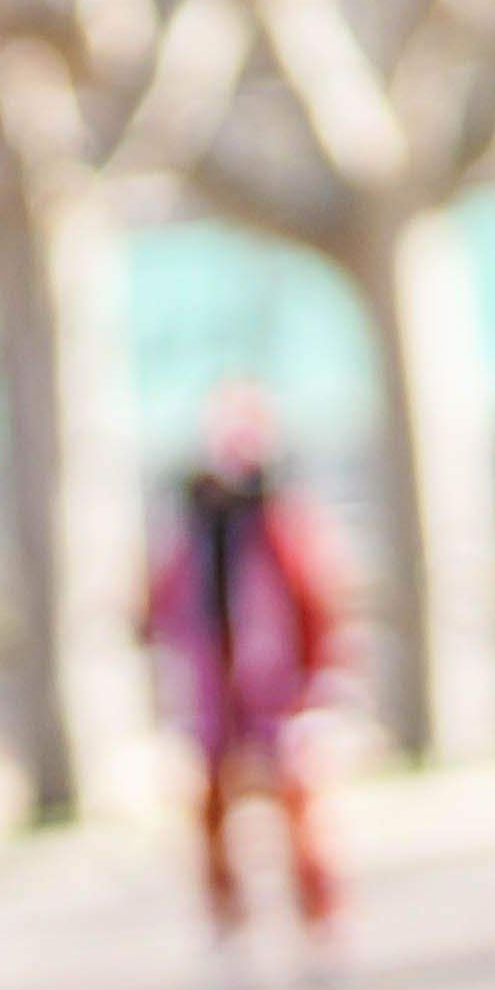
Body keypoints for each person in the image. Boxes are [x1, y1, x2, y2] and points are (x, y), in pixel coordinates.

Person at [152, 385, 352, 958]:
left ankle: (320, 917)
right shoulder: (195, 530)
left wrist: (320, 680)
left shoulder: (285, 524)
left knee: (300, 803)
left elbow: (317, 600)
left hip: (277, 687)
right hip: (218, 689)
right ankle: (228, 919)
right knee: (213, 807)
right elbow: (169, 602)